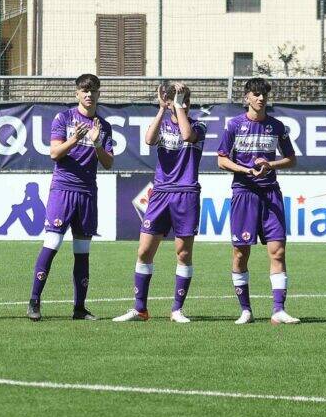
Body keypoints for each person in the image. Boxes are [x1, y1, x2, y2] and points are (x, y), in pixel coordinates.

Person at [114, 82, 206, 323]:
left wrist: (179, 107)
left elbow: (187, 136)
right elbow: (148, 139)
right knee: (144, 251)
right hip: (161, 193)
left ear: (188, 103)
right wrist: (162, 108)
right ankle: (140, 309)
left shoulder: (198, 125)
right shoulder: (163, 121)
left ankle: (177, 310)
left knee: (183, 253)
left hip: (185, 193)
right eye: (176, 98)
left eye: (183, 99)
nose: (178, 103)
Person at [28, 73, 115, 321]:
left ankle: (79, 308)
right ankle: (34, 301)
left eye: (93, 90)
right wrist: (74, 139)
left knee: (82, 251)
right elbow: (55, 153)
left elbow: (108, 163)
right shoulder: (64, 118)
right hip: (63, 190)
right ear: (77, 93)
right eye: (84, 90)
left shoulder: (103, 126)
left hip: (87, 193)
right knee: (52, 244)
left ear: (99, 94)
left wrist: (98, 144)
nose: (89, 94)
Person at [217, 77, 299, 325]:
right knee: (240, 254)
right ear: (247, 98)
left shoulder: (277, 127)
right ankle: (245, 310)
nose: (261, 98)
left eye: (264, 94)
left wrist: (269, 164)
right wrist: (245, 170)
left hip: (271, 193)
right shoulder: (233, 126)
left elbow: (291, 158)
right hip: (244, 193)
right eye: (256, 94)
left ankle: (278, 310)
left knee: (278, 251)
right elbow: (221, 159)